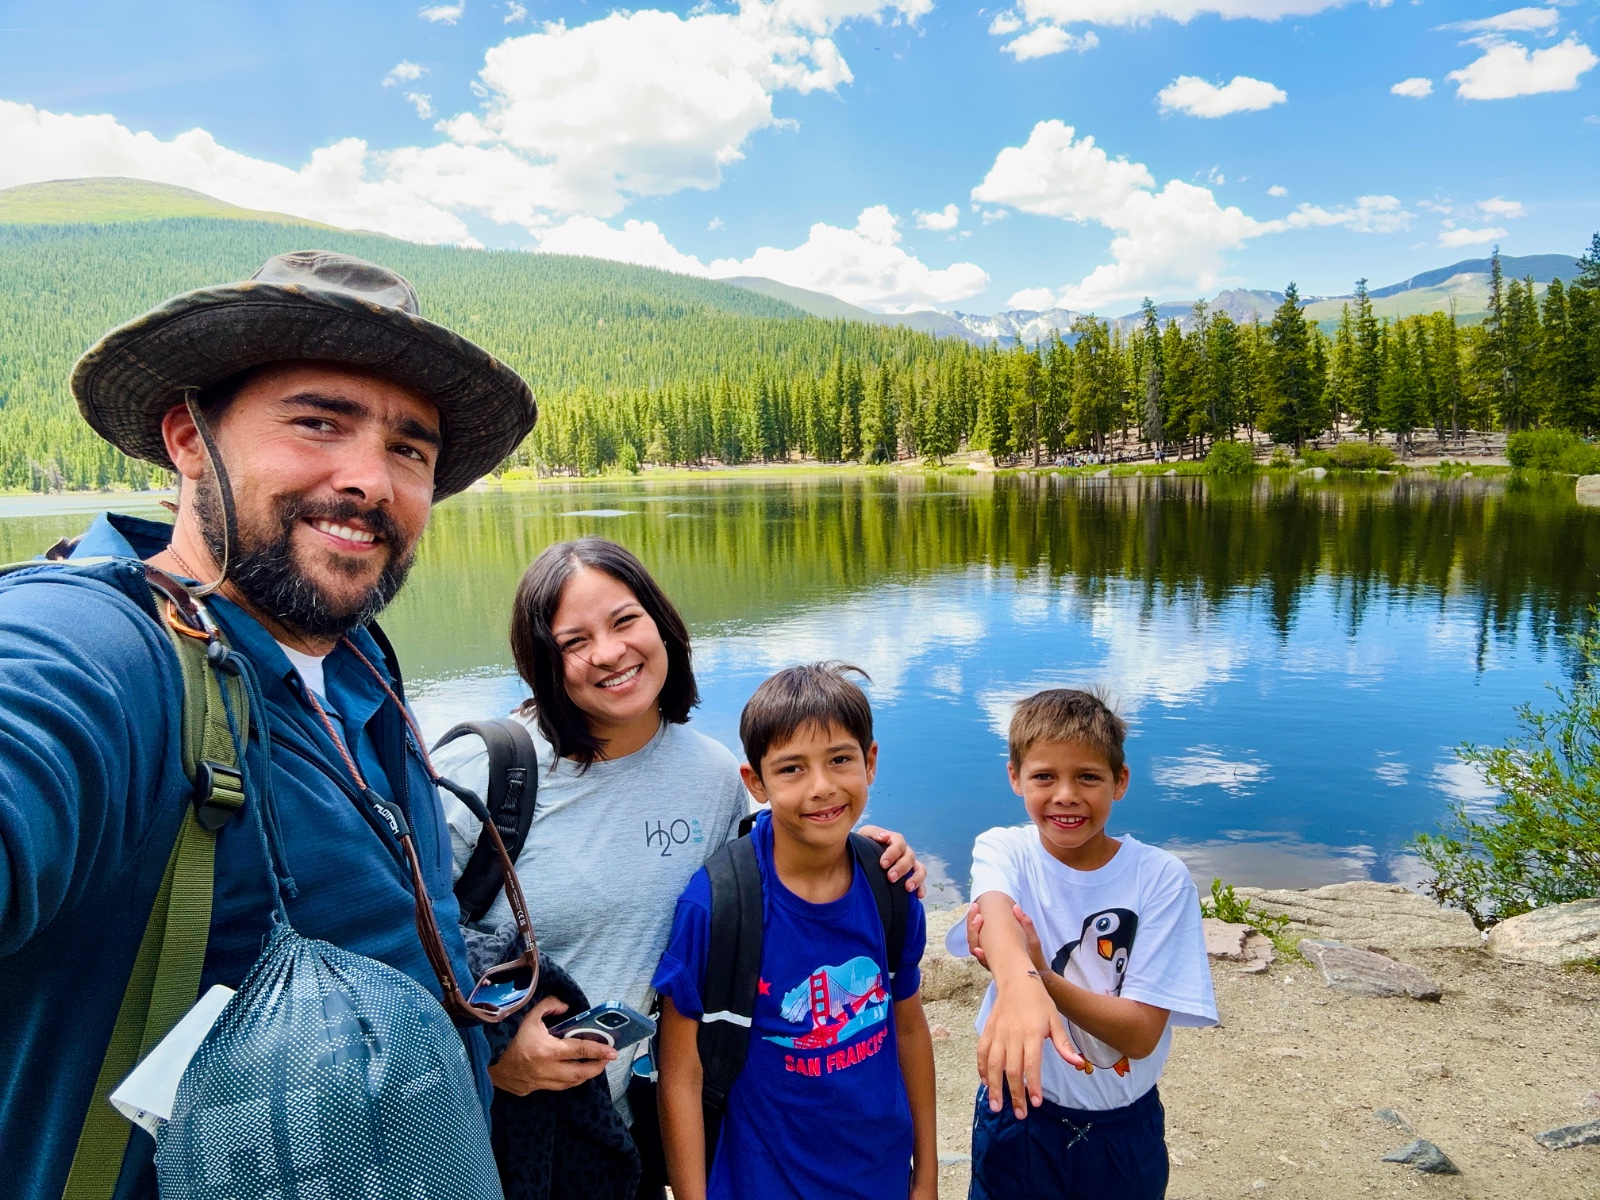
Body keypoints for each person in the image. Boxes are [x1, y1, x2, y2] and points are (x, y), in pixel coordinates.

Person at [0, 250, 538, 1199]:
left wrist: (490, 1022)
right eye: (318, 423)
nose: (370, 480)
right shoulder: (100, 645)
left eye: (409, 450)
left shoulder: (362, 666)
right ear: (187, 438)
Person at [433, 541, 927, 1197]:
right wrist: (489, 1050)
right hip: (491, 1123)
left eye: (624, 620)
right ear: (542, 661)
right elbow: (377, 935)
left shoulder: (712, 775)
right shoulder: (487, 769)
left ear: (661, 622)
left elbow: (766, 879)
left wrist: (871, 850)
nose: (608, 652)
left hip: (623, 1129)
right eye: (573, 640)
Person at [652, 663, 938, 1200]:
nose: (822, 787)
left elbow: (910, 1031)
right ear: (755, 781)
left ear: (869, 762)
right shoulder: (717, 904)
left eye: (840, 759)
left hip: (881, 1176)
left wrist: (925, 1177)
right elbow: (681, 1072)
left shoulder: (891, 886)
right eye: (791, 769)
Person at [945, 688, 1217, 1200]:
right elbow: (996, 916)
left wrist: (1040, 980)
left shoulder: (1160, 878)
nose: (1066, 795)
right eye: (1044, 776)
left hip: (1121, 1125)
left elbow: (1138, 1036)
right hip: (1018, 1112)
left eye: (1088, 777)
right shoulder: (1003, 848)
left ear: (1120, 782)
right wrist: (1018, 977)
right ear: (1014, 777)